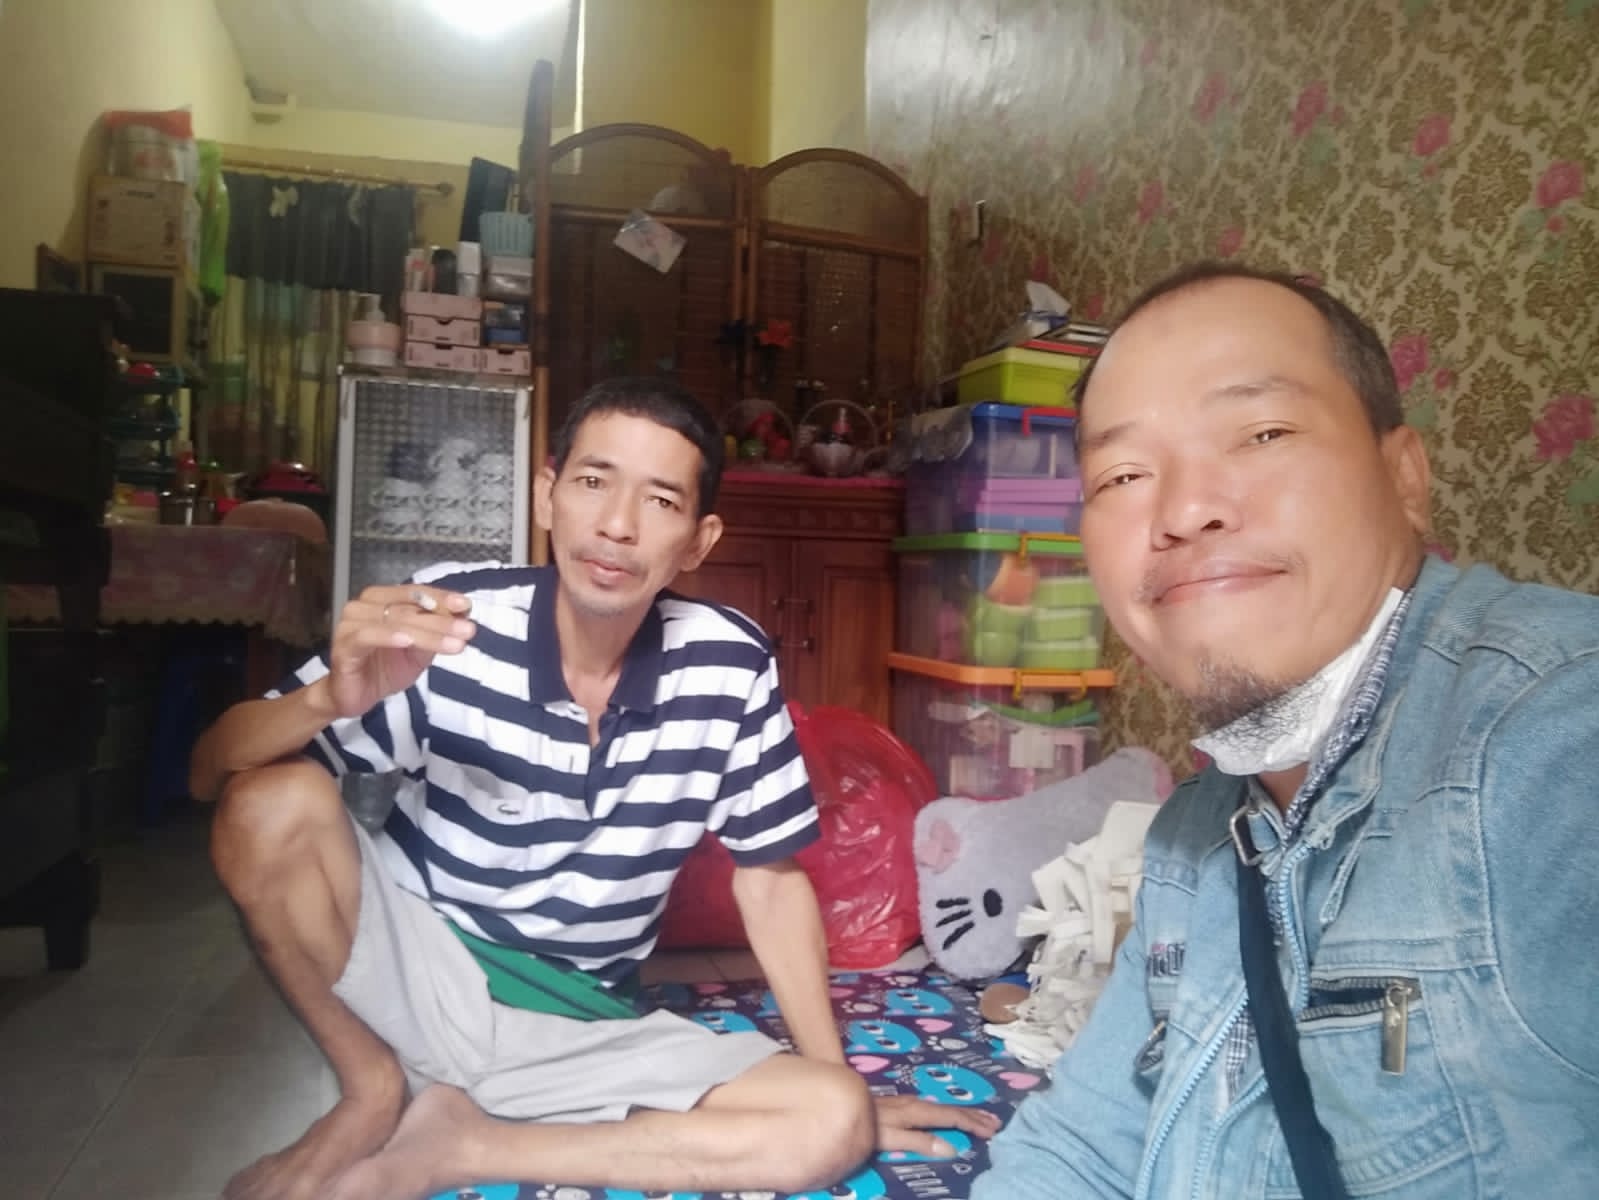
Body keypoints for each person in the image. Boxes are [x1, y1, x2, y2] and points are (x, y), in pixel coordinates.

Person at [191, 377, 997, 1200]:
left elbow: (769, 879)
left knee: (828, 1120)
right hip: (415, 979)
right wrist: (329, 699)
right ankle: (370, 1087)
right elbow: (211, 769)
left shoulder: (728, 665)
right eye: (592, 481)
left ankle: (463, 1143)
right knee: (269, 802)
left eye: (660, 500)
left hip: (579, 1022)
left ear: (698, 541)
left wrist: (838, 1078)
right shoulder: (454, 624)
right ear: (547, 494)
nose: (616, 524)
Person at [973, 262, 1599, 1199]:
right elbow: (1084, 1149)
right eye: (1123, 475)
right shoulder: (1193, 835)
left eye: (1262, 433)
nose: (1184, 511)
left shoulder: (1552, 739)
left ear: (1404, 476)